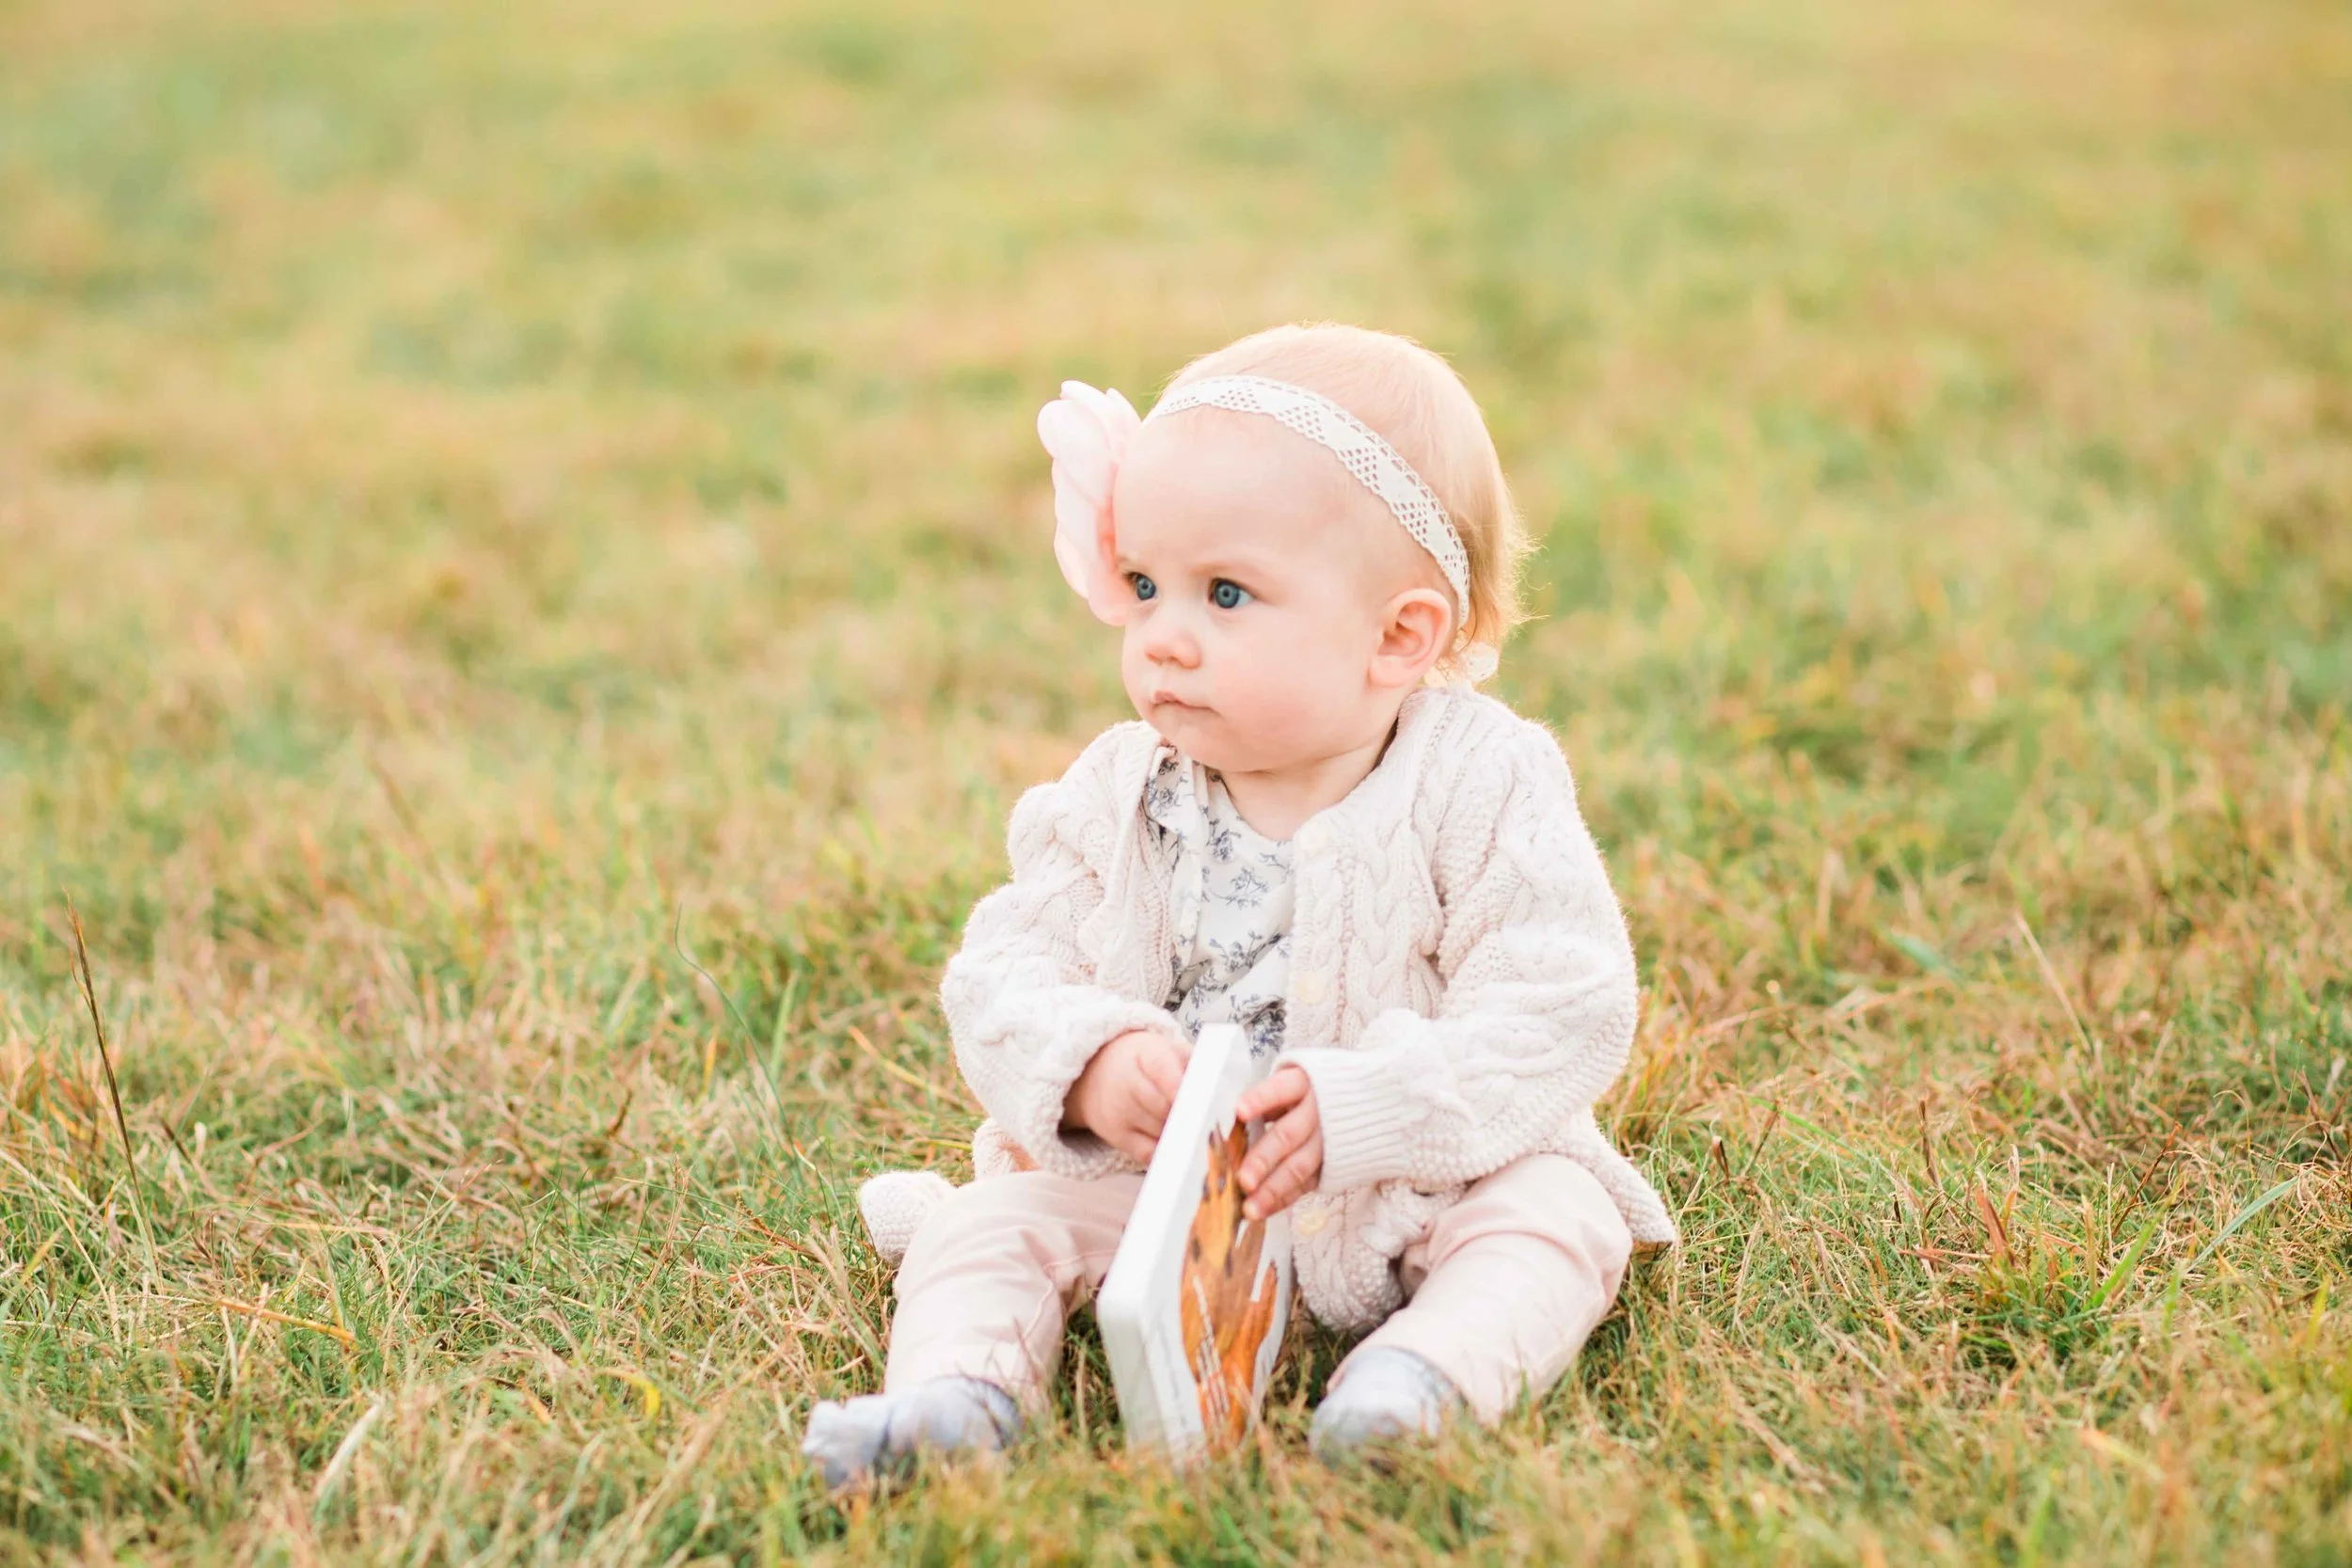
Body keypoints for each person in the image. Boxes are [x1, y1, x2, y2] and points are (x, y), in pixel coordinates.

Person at [801, 323, 1677, 1487]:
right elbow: (1001, 969)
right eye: (1144, 586)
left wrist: (1377, 1106)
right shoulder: (1119, 791)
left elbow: (1562, 995)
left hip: (1414, 1184)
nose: (1163, 637)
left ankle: (1419, 1380)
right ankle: (957, 1393)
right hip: (1163, 1201)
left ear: (1397, 634)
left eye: (1224, 593)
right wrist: (1088, 1064)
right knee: (988, 1222)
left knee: (1559, 1214)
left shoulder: (1483, 779)